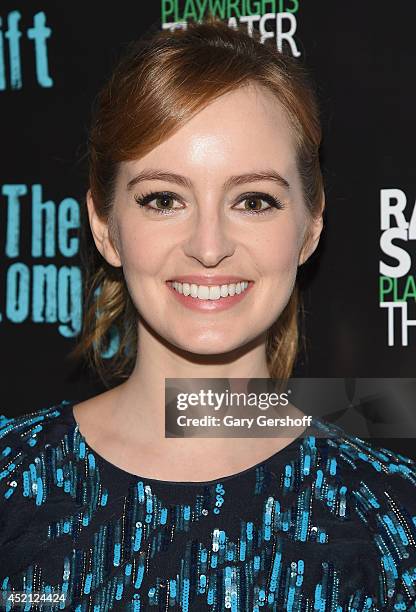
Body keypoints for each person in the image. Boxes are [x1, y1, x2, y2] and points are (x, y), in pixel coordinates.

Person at [1, 17, 415, 612]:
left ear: (310, 227)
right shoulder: (11, 482)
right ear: (104, 227)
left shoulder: (393, 519)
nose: (210, 244)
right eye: (164, 199)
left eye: (253, 200)